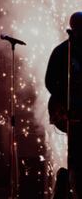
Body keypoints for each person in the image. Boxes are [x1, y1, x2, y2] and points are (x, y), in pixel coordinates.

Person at [46, 11, 82, 198]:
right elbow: (50, 82)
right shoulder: (63, 51)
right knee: (75, 157)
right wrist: (65, 98)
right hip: (72, 113)